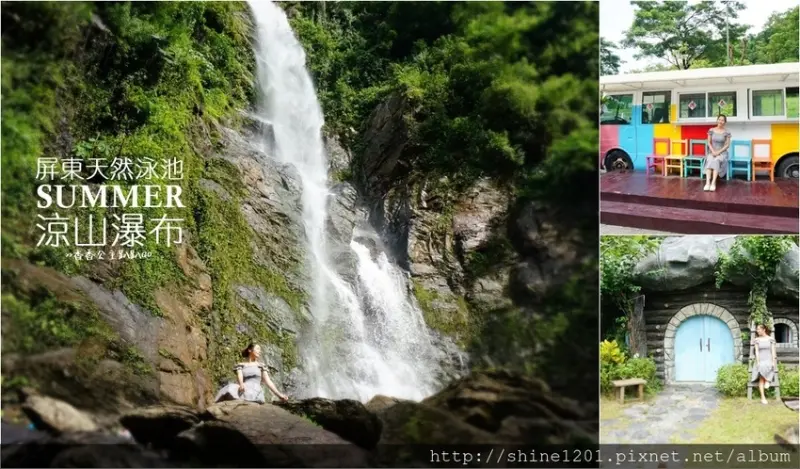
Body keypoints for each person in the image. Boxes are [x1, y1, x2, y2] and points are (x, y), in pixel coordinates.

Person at [215, 343, 289, 403]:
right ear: (250, 350)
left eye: (260, 350)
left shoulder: (261, 366)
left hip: (255, 389)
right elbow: (239, 375)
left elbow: (268, 381)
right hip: (243, 388)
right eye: (257, 349)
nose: (259, 351)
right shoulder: (241, 365)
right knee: (229, 388)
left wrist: (279, 395)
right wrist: (241, 384)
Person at [750, 324, 778, 405]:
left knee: (770, 365)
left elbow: (773, 351)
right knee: (761, 369)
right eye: (757, 329)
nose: (757, 331)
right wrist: (758, 361)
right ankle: (763, 397)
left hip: (769, 359)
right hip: (761, 359)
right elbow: (757, 352)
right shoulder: (757, 340)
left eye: (759, 329)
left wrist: (773, 361)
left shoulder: (770, 339)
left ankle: (768, 380)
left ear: (764, 330)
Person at [703, 114, 731, 192]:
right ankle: (707, 183)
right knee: (709, 159)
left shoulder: (727, 132)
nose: (721, 121)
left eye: (723, 120)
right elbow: (709, 142)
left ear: (725, 122)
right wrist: (713, 151)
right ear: (717, 120)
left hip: (722, 152)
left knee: (716, 160)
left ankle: (713, 183)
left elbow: (727, 145)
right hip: (712, 151)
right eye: (719, 119)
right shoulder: (711, 130)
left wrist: (718, 152)